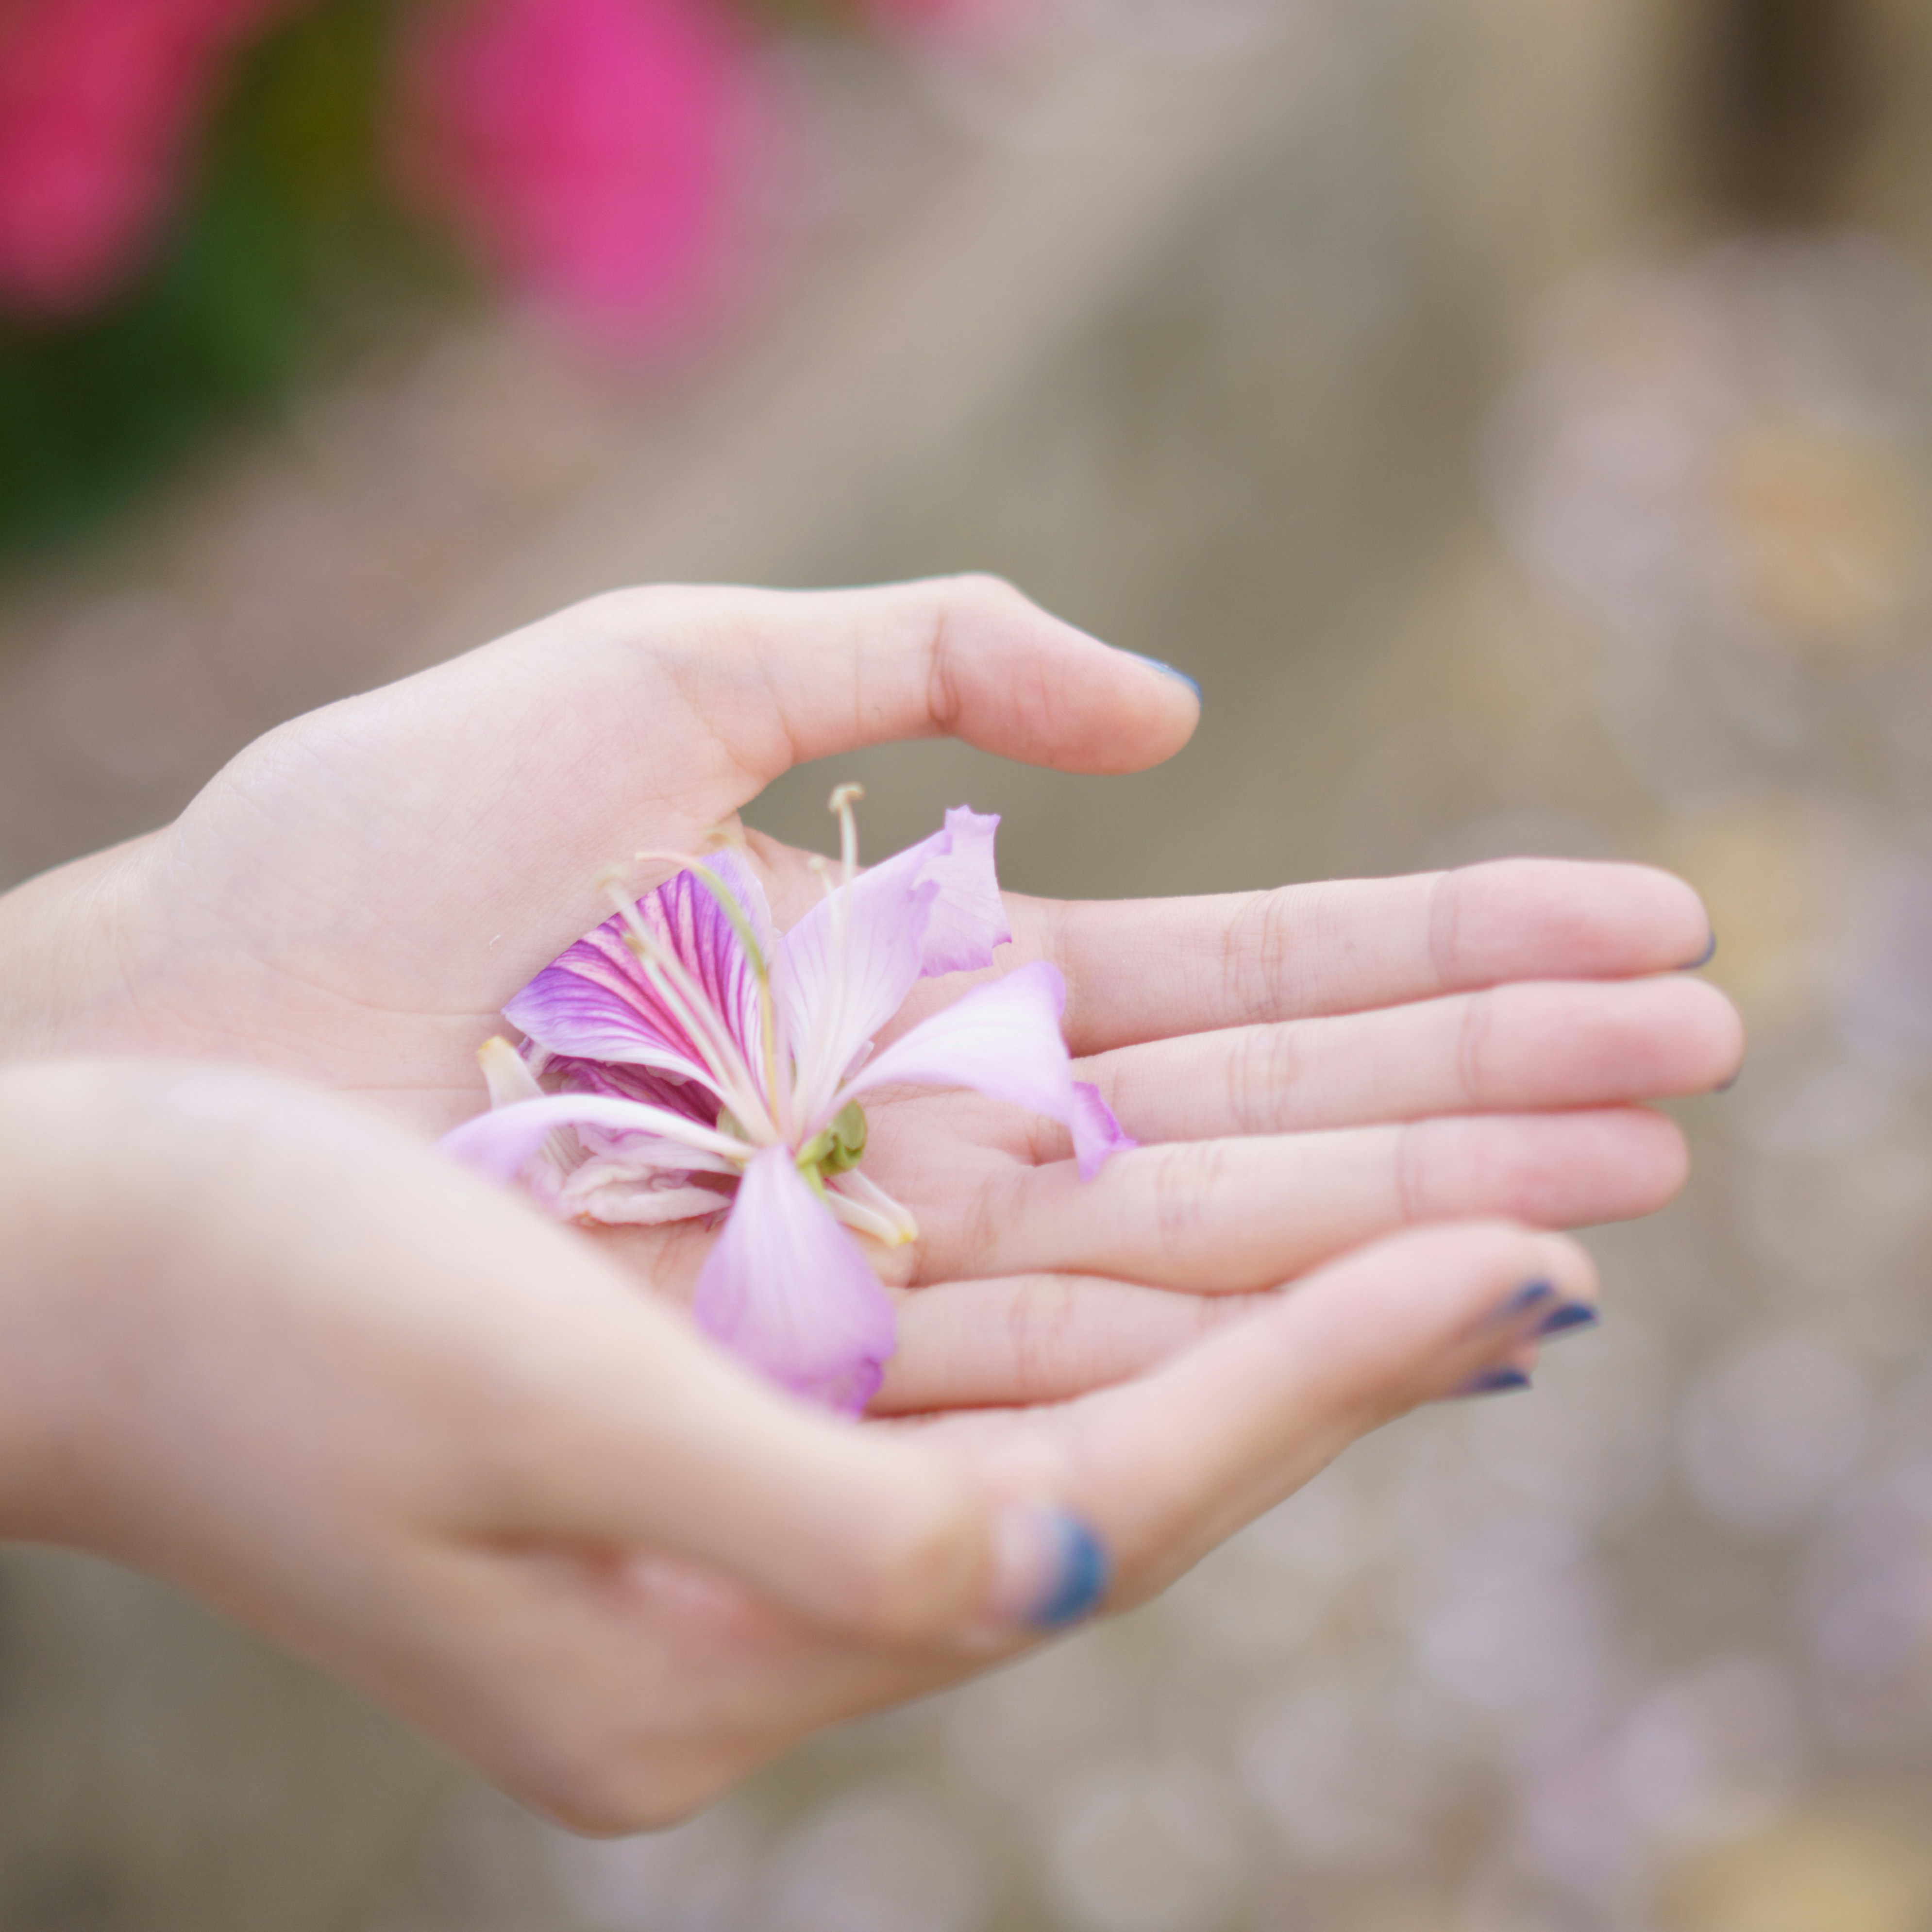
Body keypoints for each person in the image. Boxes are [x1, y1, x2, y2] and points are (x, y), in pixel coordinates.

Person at [0, 576, 1742, 1833]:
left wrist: (89, 1007)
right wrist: (100, 1272)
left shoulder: (854, 1031)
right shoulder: (666, 1108)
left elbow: (1004, 1046)